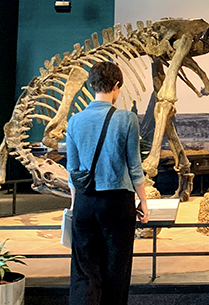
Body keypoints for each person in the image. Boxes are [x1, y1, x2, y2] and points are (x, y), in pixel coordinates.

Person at [67, 61, 149, 305]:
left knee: (84, 273)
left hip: (85, 202)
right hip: (117, 203)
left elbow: (73, 170)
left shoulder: (75, 121)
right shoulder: (127, 119)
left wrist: (75, 205)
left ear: (91, 85)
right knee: (117, 271)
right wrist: (143, 201)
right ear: (116, 86)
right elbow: (135, 166)